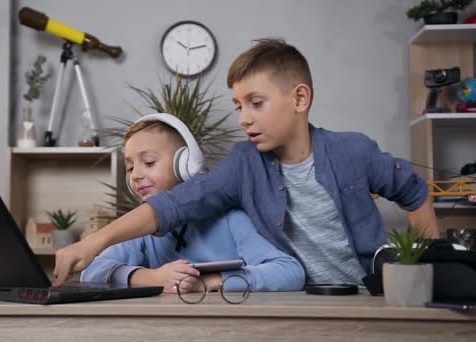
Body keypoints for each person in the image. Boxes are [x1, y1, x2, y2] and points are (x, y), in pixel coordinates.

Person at [52, 38, 439, 287]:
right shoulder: (242, 164)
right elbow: (173, 205)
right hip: (303, 301)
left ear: (300, 99)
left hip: (373, 295)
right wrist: (96, 241)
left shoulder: (354, 151)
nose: (244, 119)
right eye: (238, 106)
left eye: (256, 103)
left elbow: (414, 192)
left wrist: (428, 272)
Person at [80, 114, 305, 293]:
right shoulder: (143, 230)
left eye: (148, 162)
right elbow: (91, 270)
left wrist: (212, 281)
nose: (136, 175)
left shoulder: (231, 218)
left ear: (184, 164)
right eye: (130, 168)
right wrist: (152, 278)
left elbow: (289, 271)